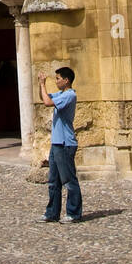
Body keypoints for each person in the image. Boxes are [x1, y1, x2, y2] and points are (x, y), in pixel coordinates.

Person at [38, 66, 82, 223]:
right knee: (53, 181)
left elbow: (48, 102)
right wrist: (40, 84)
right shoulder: (61, 94)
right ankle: (52, 213)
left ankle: (74, 213)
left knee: (69, 180)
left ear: (66, 80)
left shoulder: (69, 95)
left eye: (58, 78)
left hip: (65, 143)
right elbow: (44, 98)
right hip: (56, 143)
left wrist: (43, 85)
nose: (56, 81)